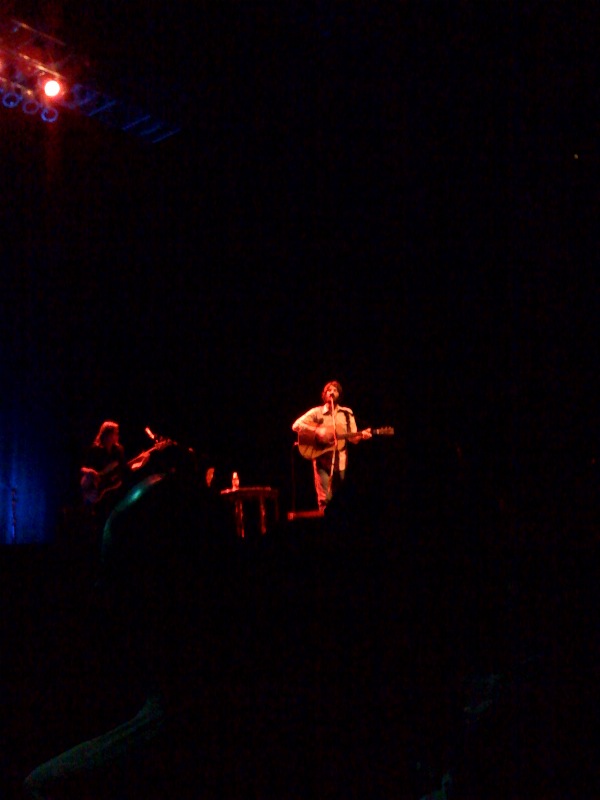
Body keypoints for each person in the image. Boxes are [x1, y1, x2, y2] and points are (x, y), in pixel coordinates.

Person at [292, 380, 372, 511]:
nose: (332, 392)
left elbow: (353, 439)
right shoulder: (317, 412)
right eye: (329, 390)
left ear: (339, 394)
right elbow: (295, 426)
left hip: (340, 462)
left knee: (342, 499)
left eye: (335, 390)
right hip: (321, 462)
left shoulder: (346, 413)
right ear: (324, 394)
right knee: (325, 499)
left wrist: (361, 436)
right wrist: (317, 430)